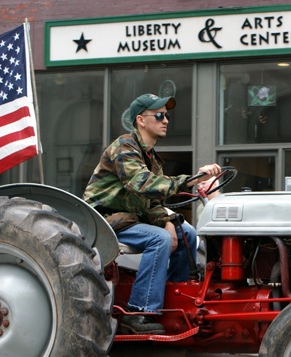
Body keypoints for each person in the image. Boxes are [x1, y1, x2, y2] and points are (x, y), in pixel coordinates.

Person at [83, 93, 221, 334]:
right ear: (141, 120)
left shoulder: (150, 158)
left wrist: (168, 220)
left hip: (130, 218)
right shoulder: (124, 147)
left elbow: (150, 202)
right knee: (160, 239)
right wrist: (191, 180)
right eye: (159, 115)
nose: (165, 120)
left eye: (166, 116)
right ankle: (139, 312)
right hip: (106, 219)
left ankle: (176, 298)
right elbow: (142, 184)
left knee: (187, 233)